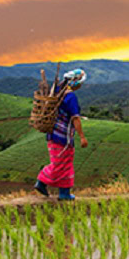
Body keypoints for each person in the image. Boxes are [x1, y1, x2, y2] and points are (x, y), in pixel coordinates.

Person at [36, 68, 87, 200]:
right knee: (61, 164)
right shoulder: (70, 97)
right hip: (63, 137)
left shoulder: (57, 92)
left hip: (52, 134)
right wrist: (82, 136)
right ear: (76, 83)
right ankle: (43, 182)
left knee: (63, 163)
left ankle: (63, 192)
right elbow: (75, 118)